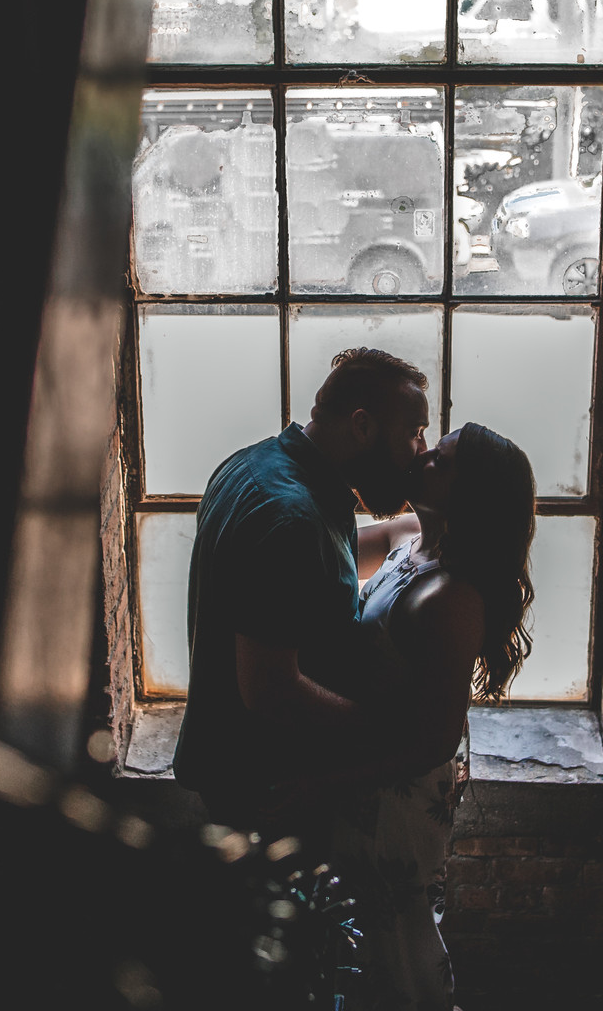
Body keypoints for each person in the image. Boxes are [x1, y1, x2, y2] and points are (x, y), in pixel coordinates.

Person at [173, 348, 430, 850]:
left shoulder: (258, 465)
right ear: (363, 425)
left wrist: (442, 524)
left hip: (239, 768)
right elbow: (270, 689)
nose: (420, 452)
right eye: (414, 432)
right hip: (270, 789)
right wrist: (385, 730)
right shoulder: (290, 519)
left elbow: (323, 571)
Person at [327, 423, 537, 1011]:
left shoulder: (453, 598)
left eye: (439, 461)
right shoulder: (411, 535)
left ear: (469, 496)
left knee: (398, 932)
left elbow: (437, 739)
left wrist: (322, 782)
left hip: (397, 788)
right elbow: (326, 549)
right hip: (369, 765)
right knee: (365, 933)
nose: (420, 459)